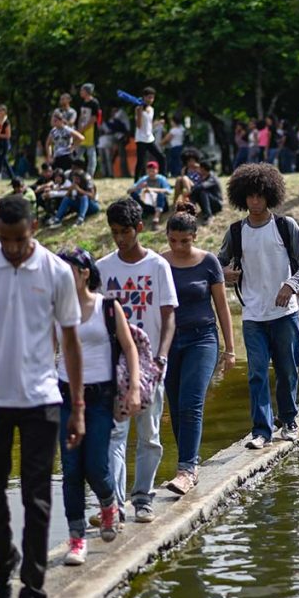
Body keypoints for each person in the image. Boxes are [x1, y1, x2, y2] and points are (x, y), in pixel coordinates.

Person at [0, 195, 85, 598]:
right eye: (5, 239)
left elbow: (71, 341)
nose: (12, 248)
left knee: (37, 493)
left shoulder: (56, 271)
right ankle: (3, 557)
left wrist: (77, 407)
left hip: (42, 399)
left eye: (20, 240)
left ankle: (33, 579)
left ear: (34, 231)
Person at [51, 248, 140, 565]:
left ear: (85, 271)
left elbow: (129, 348)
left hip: (102, 395)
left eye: (67, 269)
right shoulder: (57, 309)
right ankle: (76, 539)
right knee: (71, 469)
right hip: (64, 393)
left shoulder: (107, 307)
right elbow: (50, 350)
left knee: (95, 465)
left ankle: (108, 503)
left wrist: (134, 389)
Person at [217, 164, 299, 446]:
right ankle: (261, 430)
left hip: (285, 313)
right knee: (257, 373)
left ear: (270, 195)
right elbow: (217, 265)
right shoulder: (235, 232)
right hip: (252, 314)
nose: (255, 201)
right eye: (250, 196)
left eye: (260, 195)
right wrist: (225, 274)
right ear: (242, 198)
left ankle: (289, 419)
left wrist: (291, 285)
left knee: (286, 370)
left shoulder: (285, 226)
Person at [97, 198, 177, 523]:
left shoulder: (157, 266)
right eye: (114, 232)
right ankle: (114, 505)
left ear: (139, 229)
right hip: (114, 365)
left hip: (149, 366)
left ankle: (142, 497)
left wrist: (161, 357)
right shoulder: (102, 269)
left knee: (149, 434)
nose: (120, 239)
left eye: (125, 232)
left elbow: (169, 315)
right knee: (114, 434)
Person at [161, 205, 236, 494]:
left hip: (202, 338)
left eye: (185, 241)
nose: (179, 246)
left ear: (194, 236)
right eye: (173, 240)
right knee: (176, 406)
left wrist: (230, 349)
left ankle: (186, 470)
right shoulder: (159, 263)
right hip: (169, 341)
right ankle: (189, 462)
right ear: (167, 236)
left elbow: (222, 307)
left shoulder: (208, 262)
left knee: (192, 402)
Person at [48, 158, 100, 227]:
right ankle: (57, 219)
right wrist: (69, 190)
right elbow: (67, 195)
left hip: (91, 206)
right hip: (79, 205)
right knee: (67, 199)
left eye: (74, 168)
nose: (72, 170)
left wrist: (79, 190)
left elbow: (92, 196)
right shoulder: (72, 176)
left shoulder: (87, 178)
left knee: (84, 197)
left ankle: (80, 219)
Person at [129, 160, 172, 228]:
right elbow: (129, 191)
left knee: (161, 194)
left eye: (153, 171)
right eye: (149, 171)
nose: (151, 173)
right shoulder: (144, 179)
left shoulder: (161, 179)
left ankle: (156, 219)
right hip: (148, 203)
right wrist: (138, 187)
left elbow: (169, 191)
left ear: (157, 170)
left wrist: (153, 189)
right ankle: (141, 213)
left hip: (161, 205)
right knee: (133, 194)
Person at [134, 87, 164, 181]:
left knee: (161, 157)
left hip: (149, 138)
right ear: (144, 97)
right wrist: (139, 113)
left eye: (152, 98)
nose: (151, 100)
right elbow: (139, 125)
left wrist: (158, 123)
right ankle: (137, 180)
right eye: (149, 97)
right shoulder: (138, 109)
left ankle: (163, 178)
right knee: (141, 161)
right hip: (141, 138)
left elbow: (149, 125)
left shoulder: (151, 109)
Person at [77, 83, 102, 176]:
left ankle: (90, 174)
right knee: (78, 153)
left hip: (90, 131)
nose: (80, 92)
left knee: (91, 155)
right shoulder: (83, 103)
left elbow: (94, 118)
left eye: (82, 90)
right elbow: (81, 116)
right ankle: (77, 172)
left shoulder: (94, 103)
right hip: (82, 130)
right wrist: (79, 128)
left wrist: (83, 128)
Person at [161, 112, 186, 177]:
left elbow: (166, 140)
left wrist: (160, 143)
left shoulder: (174, 130)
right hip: (180, 146)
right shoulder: (181, 129)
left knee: (174, 161)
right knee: (179, 161)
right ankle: (179, 173)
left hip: (174, 147)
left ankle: (175, 173)